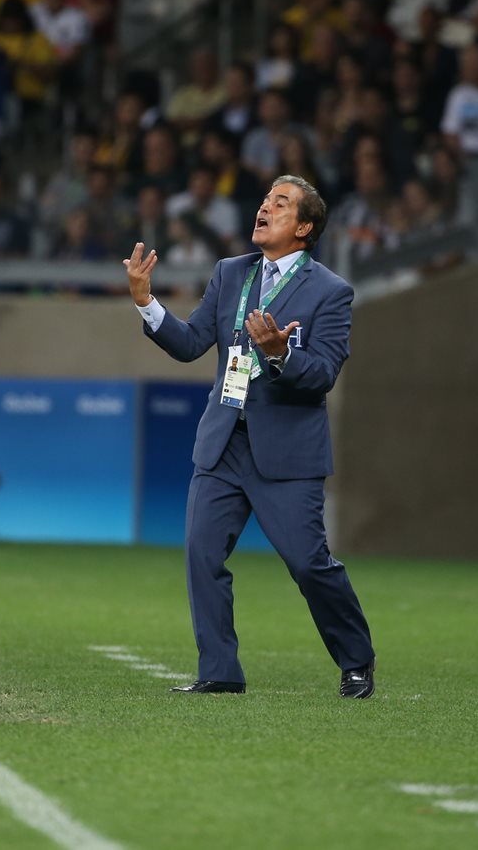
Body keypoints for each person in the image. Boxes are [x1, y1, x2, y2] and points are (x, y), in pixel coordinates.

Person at [123, 174, 376, 698]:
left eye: (280, 204)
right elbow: (193, 343)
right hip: (224, 442)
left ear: (304, 228)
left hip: (286, 451)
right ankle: (220, 670)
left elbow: (324, 372)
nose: (264, 208)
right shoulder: (230, 272)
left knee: (309, 564)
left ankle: (356, 660)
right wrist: (147, 303)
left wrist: (282, 354)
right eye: (264, 200)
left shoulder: (331, 291)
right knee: (201, 553)